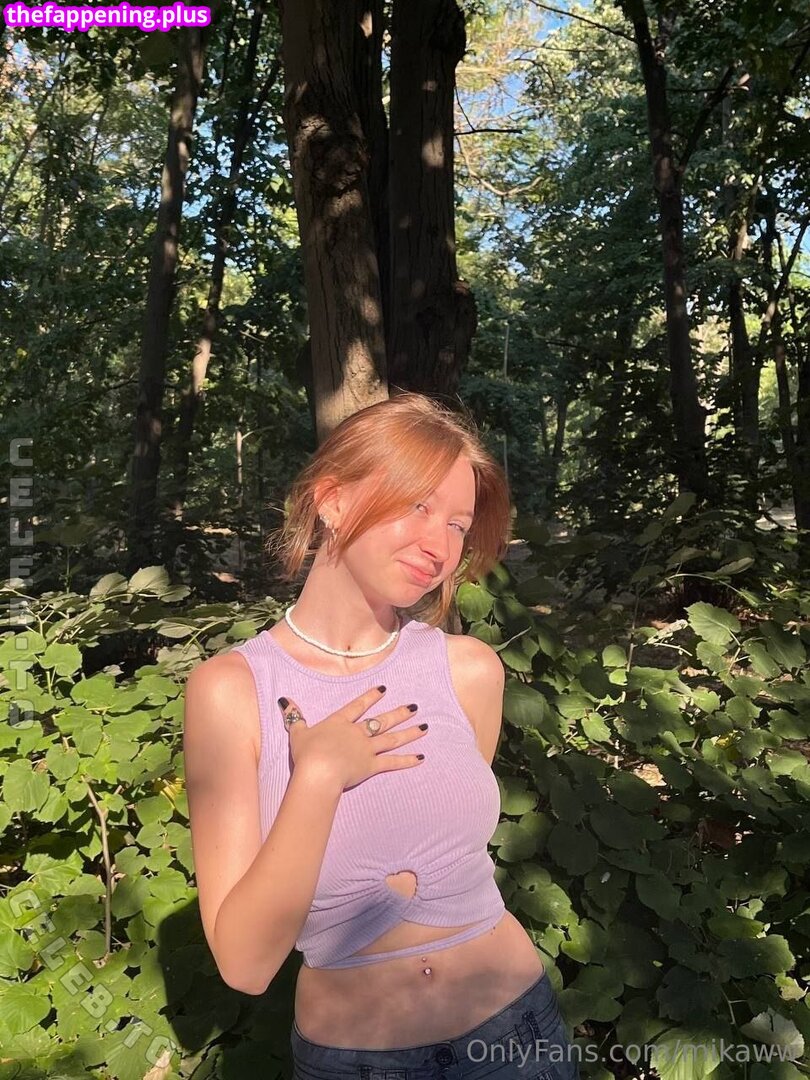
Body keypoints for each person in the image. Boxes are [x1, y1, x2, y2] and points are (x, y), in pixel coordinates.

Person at [184, 392, 580, 1079]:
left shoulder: (469, 671)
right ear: (333, 500)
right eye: (417, 505)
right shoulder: (231, 691)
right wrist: (317, 778)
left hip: (516, 1037)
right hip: (356, 1062)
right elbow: (246, 965)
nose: (440, 545)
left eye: (457, 524)